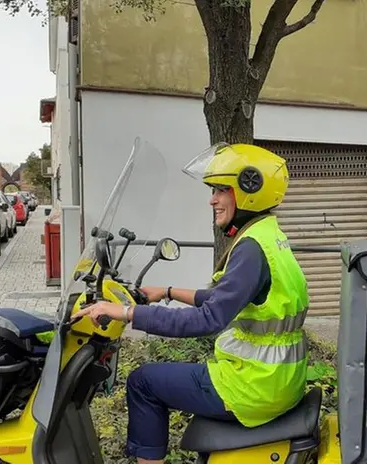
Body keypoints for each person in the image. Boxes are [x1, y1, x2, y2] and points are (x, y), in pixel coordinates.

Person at [77, 142, 310, 464]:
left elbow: (208, 320)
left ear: (249, 189)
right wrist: (170, 291)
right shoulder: (268, 238)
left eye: (220, 190)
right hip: (274, 382)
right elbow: (231, 299)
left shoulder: (251, 249)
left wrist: (127, 312)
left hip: (253, 387)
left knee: (143, 381)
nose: (212, 199)